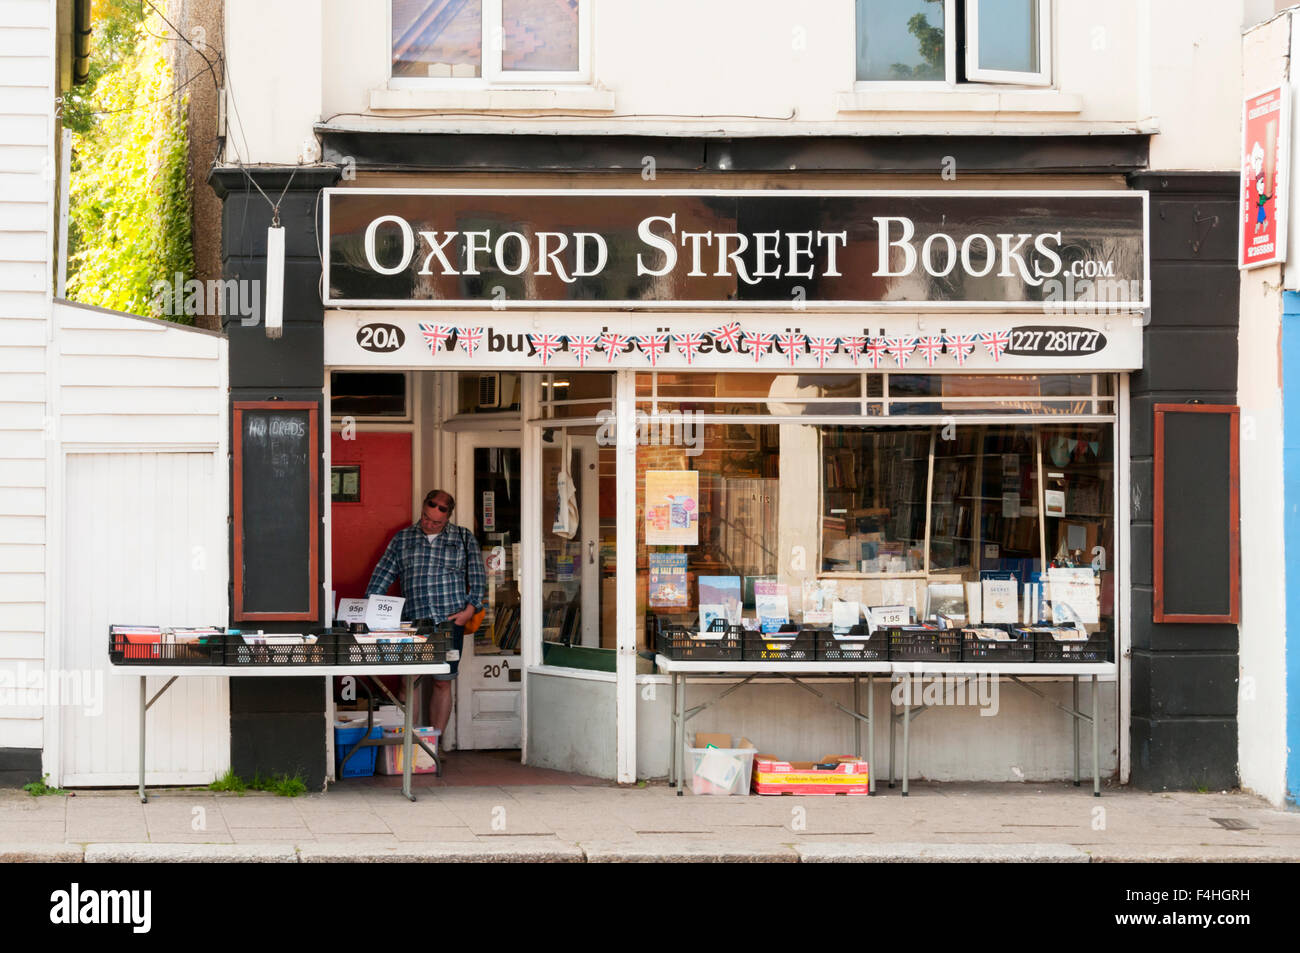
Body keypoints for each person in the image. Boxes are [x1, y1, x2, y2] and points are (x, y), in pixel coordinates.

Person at [365, 489, 486, 745]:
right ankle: (406, 744)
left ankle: (434, 746)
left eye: (436, 522)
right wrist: (370, 608)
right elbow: (382, 575)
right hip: (413, 624)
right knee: (409, 682)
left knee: (443, 683)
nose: (429, 524)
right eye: (426, 518)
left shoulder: (463, 538)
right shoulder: (403, 539)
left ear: (448, 518)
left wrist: (468, 612)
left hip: (449, 623)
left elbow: (478, 580)